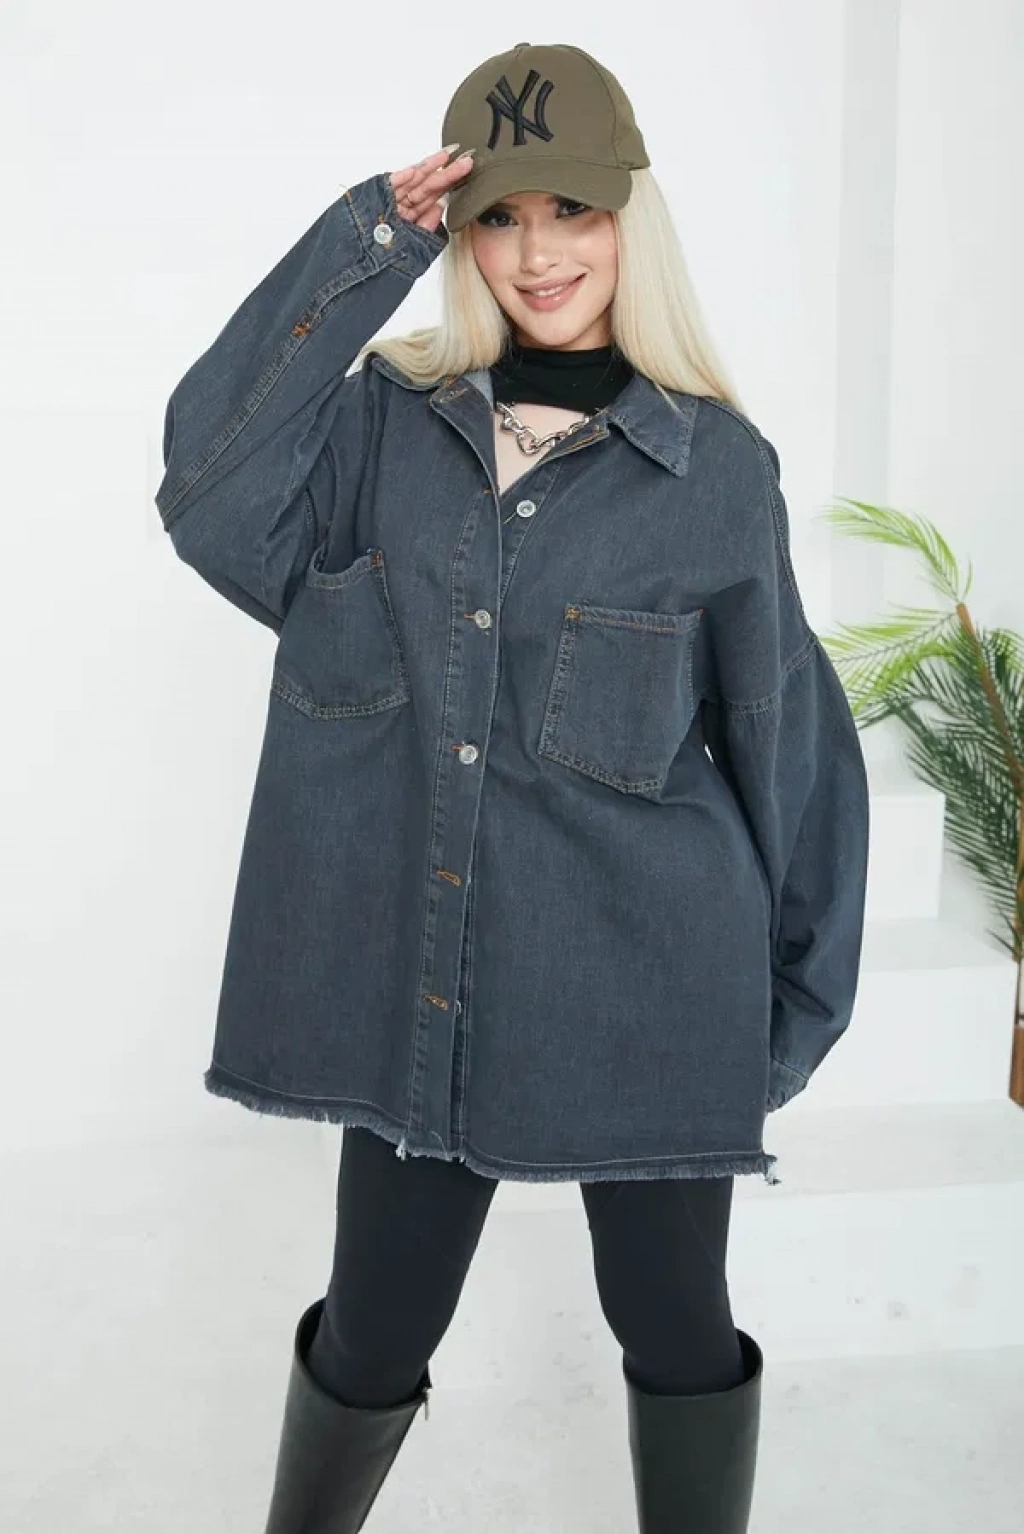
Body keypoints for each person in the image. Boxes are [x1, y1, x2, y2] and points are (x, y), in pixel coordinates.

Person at [155, 40, 870, 1534]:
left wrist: (791, 1007)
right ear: (463, 236)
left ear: (629, 221)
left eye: (573, 211)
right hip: (422, 987)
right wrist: (366, 242)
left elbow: (788, 739)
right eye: (499, 217)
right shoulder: (379, 433)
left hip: (650, 988)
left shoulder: (716, 473)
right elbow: (208, 484)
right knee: (373, 1326)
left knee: (672, 1322)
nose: (539, 254)